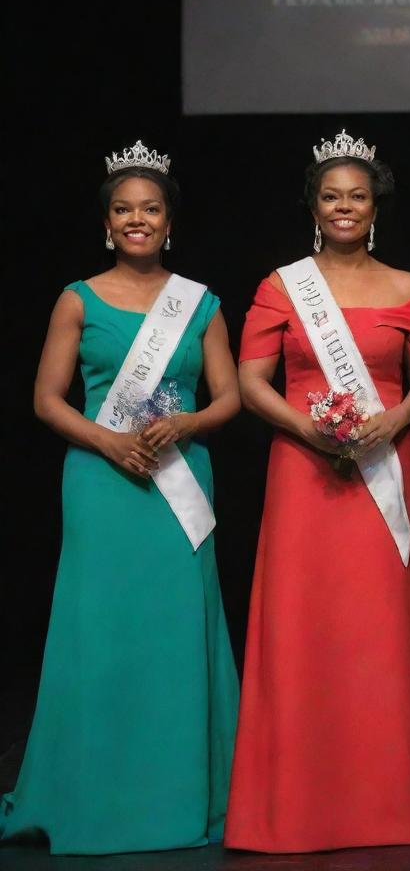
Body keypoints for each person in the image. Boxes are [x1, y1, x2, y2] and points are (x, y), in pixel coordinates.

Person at [1, 140, 239, 854]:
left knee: (175, 637)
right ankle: (90, 794)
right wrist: (109, 443)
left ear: (170, 220)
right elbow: (47, 399)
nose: (138, 220)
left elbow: (228, 398)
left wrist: (187, 423)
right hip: (104, 483)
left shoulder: (200, 303)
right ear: (107, 223)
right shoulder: (76, 299)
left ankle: (185, 794)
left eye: (151, 209)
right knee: (100, 637)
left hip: (179, 482)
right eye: (123, 210)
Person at [224, 130, 410, 852]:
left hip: (383, 465)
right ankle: (295, 804)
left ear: (375, 205)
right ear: (313, 207)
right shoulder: (281, 287)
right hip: (303, 469)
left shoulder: (408, 288)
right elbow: (250, 382)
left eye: (357, 195)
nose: (344, 207)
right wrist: (311, 431)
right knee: (304, 625)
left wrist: (391, 423)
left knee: (379, 631)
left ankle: (386, 803)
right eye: (331, 196)